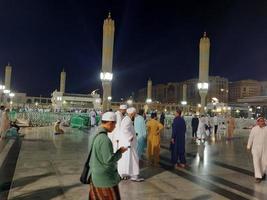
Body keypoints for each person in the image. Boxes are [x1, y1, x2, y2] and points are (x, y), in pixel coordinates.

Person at [89, 112, 128, 199]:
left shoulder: (95, 134)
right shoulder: (104, 139)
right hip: (105, 179)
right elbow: (108, 160)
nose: (114, 127)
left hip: (96, 174)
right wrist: (119, 152)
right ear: (110, 123)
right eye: (114, 124)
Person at [118, 107, 144, 181]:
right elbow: (125, 129)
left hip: (127, 143)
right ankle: (134, 176)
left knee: (128, 159)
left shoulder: (127, 119)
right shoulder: (128, 120)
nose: (135, 114)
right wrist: (130, 137)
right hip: (129, 143)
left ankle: (125, 174)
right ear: (132, 113)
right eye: (135, 113)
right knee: (134, 159)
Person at [247, 117, 267, 183]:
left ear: (264, 122)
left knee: (264, 163)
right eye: (260, 121)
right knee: (256, 162)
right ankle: (258, 176)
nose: (261, 122)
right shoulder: (254, 129)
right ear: (257, 122)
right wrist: (248, 146)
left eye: (262, 121)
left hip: (265, 149)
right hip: (255, 149)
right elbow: (251, 138)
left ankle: (262, 173)